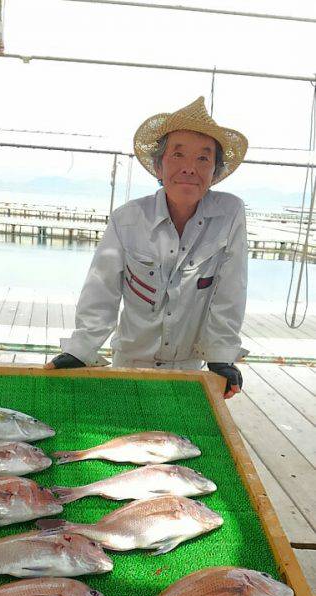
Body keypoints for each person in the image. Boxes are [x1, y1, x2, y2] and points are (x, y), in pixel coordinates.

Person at [45, 96, 249, 399]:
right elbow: (101, 290)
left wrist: (221, 357)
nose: (190, 168)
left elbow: (230, 290)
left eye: (203, 159)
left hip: (189, 369)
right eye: (178, 155)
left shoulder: (230, 213)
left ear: (216, 172)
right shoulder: (127, 219)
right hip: (130, 363)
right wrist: (81, 349)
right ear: (158, 164)